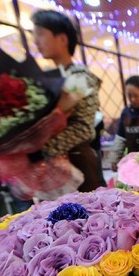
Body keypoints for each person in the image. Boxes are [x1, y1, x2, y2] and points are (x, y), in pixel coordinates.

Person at [31, 10, 102, 192]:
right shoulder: (49, 80)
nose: (35, 41)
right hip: (54, 167)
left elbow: (83, 129)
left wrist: (39, 150)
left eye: (40, 34)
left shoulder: (79, 78)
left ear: (62, 39)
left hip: (78, 164)